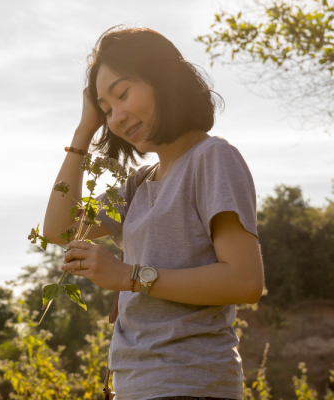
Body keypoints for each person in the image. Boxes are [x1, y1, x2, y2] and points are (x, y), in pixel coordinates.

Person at [43, 25, 264, 400]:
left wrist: (130, 277)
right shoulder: (138, 184)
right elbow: (60, 229)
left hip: (191, 384)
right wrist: (83, 131)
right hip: (136, 387)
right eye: (106, 109)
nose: (115, 117)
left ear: (163, 78)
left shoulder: (213, 159)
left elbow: (244, 281)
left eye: (123, 94)